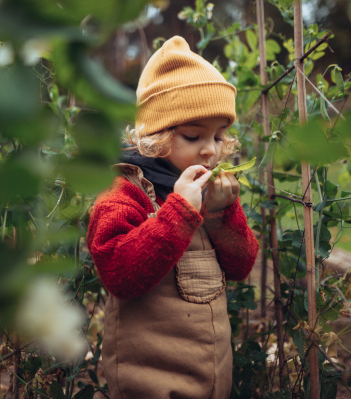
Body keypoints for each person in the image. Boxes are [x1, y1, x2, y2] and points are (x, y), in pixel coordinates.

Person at [86, 36, 259, 399]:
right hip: (150, 382)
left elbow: (242, 265)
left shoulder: (208, 192)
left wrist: (221, 213)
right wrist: (180, 210)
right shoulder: (124, 192)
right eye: (194, 135)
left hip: (211, 377)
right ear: (155, 135)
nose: (210, 149)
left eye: (219, 135)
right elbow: (119, 272)